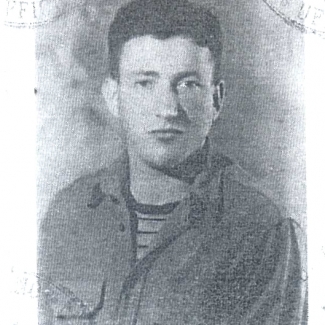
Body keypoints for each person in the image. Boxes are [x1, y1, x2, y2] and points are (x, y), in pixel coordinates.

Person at [38, 0, 305, 324]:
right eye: (145, 83)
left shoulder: (257, 228)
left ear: (216, 100)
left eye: (187, 84)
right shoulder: (69, 215)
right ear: (113, 96)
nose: (167, 108)